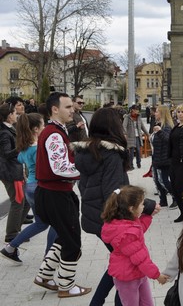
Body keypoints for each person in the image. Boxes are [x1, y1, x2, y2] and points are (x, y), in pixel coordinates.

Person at [75, 107, 135, 306]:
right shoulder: (111, 155)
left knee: (119, 261)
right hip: (110, 220)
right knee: (126, 265)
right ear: (112, 127)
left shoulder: (88, 151)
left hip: (95, 217)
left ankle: (97, 302)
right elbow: (114, 193)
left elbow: (84, 185)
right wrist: (145, 204)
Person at [34, 92, 91, 298]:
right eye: (68, 107)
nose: (73, 110)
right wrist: (86, 170)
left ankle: (44, 275)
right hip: (55, 194)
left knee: (63, 236)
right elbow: (60, 168)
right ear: (54, 109)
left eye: (72, 106)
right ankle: (66, 286)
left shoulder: (55, 131)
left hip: (53, 193)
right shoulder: (54, 133)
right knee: (72, 242)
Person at [1, 113, 57, 264]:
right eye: (43, 124)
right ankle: (48, 261)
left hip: (31, 186)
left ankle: (10, 248)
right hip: (41, 186)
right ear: (35, 129)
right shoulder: (38, 147)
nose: (45, 127)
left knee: (41, 223)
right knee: (57, 223)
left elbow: (19, 159)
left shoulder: (24, 146)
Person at [101, 185, 168, 306]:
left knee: (147, 302)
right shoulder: (126, 234)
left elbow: (139, 229)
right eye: (142, 204)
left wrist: (148, 216)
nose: (143, 207)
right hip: (127, 277)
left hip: (138, 273)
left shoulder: (127, 221)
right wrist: (157, 275)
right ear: (131, 208)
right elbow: (141, 259)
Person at [0, 103, 27, 244]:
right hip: (10, 173)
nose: (16, 115)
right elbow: (6, 154)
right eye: (15, 113)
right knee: (17, 201)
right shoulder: (4, 133)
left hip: (15, 170)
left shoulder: (9, 128)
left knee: (25, 201)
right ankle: (11, 235)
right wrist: (21, 147)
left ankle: (17, 229)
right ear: (9, 116)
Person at [151, 105, 176, 209]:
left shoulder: (167, 126)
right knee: (157, 180)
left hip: (164, 158)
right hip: (157, 157)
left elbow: (168, 140)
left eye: (157, 112)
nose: (155, 113)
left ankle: (176, 198)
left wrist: (159, 132)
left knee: (164, 180)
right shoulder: (158, 124)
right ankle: (163, 200)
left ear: (162, 113)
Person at [122, 105, 149, 169]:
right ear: (133, 110)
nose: (138, 111)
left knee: (138, 150)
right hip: (130, 136)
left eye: (138, 110)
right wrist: (125, 133)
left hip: (137, 136)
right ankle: (130, 165)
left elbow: (142, 126)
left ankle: (138, 163)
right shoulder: (127, 117)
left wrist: (148, 134)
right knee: (131, 151)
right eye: (136, 110)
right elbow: (124, 126)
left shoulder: (139, 117)